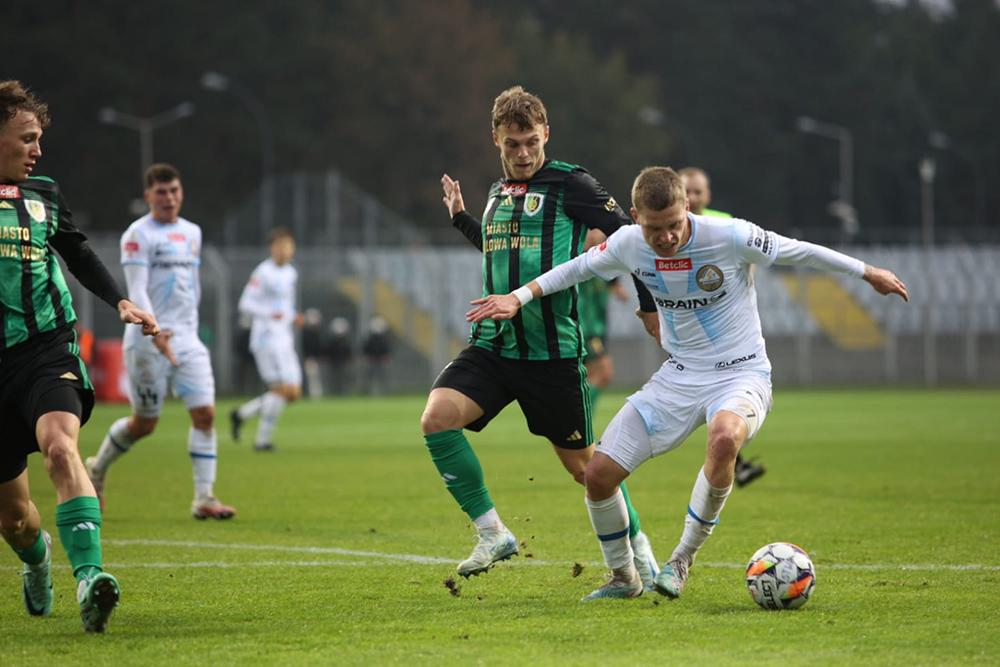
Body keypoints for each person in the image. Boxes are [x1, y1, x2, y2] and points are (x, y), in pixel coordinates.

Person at [468, 166, 908, 600]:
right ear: (636, 217)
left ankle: (680, 561)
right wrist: (518, 296)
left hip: (742, 371)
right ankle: (624, 578)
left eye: (675, 224)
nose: (667, 237)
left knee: (723, 438)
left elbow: (799, 251)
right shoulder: (626, 244)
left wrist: (867, 272)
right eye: (655, 228)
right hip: (679, 376)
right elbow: (573, 270)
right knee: (598, 476)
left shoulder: (728, 235)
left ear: (686, 208)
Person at [424, 85, 658, 585]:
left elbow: (630, 240)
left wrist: (646, 304)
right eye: (513, 144)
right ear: (496, 141)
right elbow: (498, 250)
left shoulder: (573, 184)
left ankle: (637, 546)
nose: (524, 153)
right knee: (437, 418)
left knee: (587, 470)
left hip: (552, 353)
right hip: (494, 345)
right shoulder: (495, 193)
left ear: (546, 134)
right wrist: (462, 218)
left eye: (532, 141)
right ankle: (492, 533)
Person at [0, 80, 158, 632]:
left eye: (38, 138)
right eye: (27, 139)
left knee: (61, 448)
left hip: (47, 349)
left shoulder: (43, 193)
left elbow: (76, 250)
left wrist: (120, 300)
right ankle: (38, 558)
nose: (37, 149)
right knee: (16, 521)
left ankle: (91, 580)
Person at [86, 163, 236, 520]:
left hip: (187, 338)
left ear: (181, 193)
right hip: (147, 337)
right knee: (145, 423)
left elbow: (192, 287)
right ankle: (97, 467)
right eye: (161, 192)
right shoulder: (138, 235)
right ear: (148, 196)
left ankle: (204, 498)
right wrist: (157, 333)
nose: (169, 198)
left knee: (205, 414)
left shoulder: (192, 233)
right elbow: (137, 290)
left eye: (174, 191)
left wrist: (186, 331)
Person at [680, 166, 766, 487]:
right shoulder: (665, 227)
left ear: (708, 195)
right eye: (686, 191)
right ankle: (733, 462)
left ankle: (733, 460)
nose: (692, 197)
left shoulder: (723, 222)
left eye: (697, 191)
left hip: (724, 325)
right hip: (687, 329)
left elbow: (749, 254)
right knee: (707, 396)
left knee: (723, 397)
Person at [230, 227, 303, 452]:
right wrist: (269, 315)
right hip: (266, 338)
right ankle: (262, 441)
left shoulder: (291, 273)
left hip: (284, 337)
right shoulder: (263, 272)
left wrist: (292, 316)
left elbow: (285, 305)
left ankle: (242, 414)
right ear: (272, 248)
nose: (285, 250)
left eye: (288, 245)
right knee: (282, 390)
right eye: (280, 245)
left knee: (293, 392)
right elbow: (246, 304)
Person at [577, 228, 629, 414]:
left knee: (589, 375)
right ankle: (579, 414)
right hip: (586, 328)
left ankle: (581, 417)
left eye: (599, 231)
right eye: (591, 230)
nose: (597, 235)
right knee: (604, 372)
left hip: (598, 328)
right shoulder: (576, 260)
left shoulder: (603, 262)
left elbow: (617, 286)